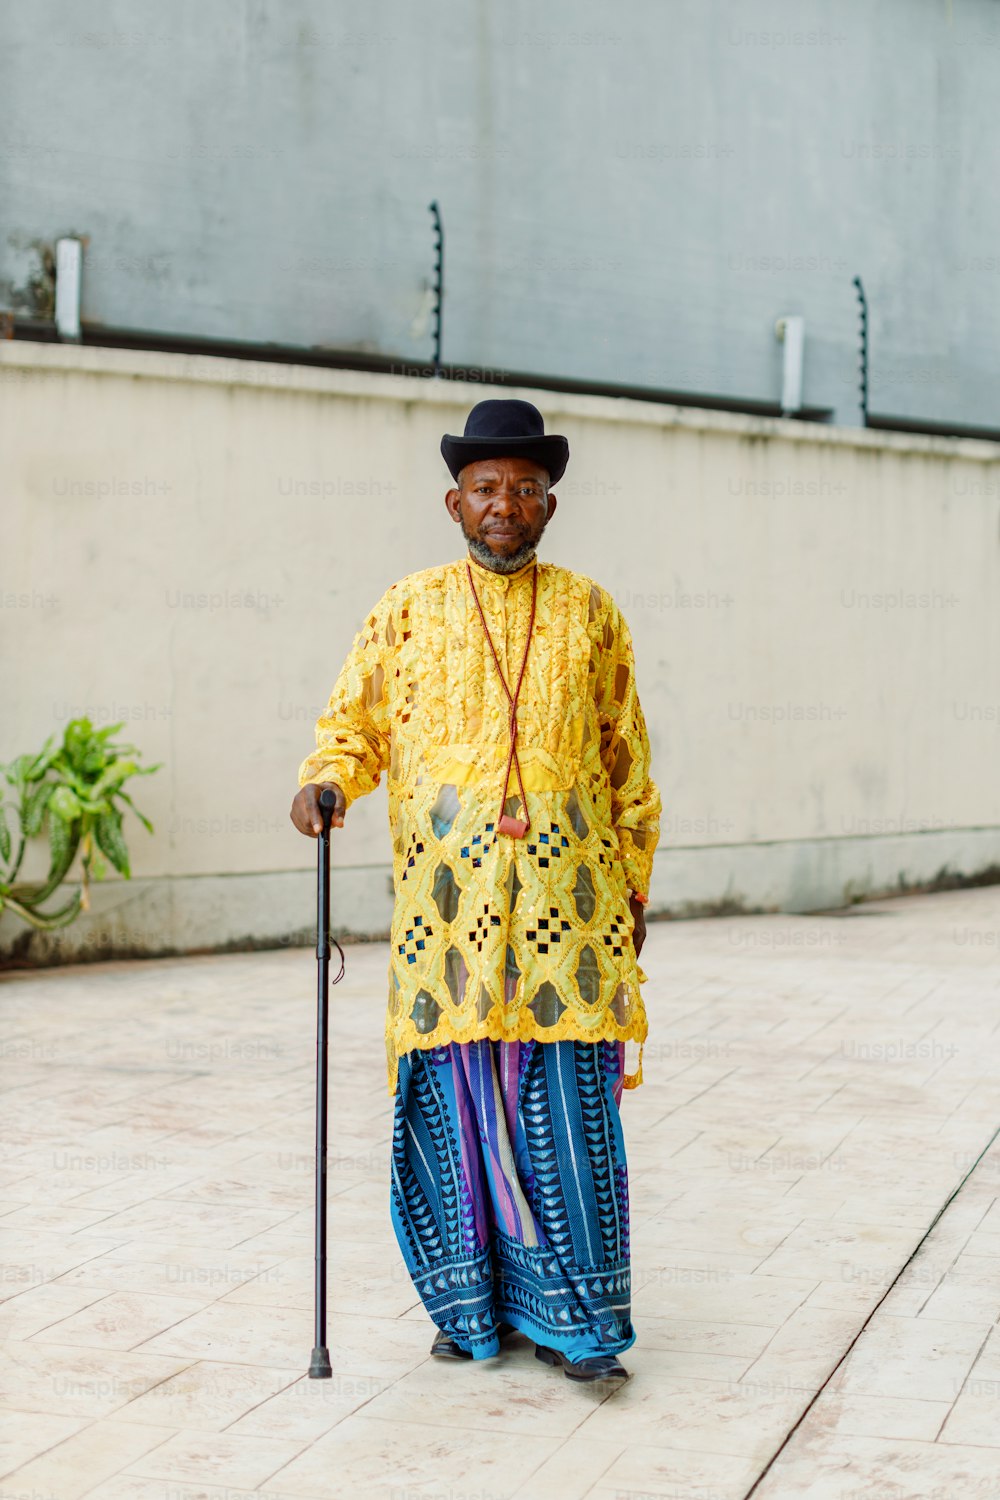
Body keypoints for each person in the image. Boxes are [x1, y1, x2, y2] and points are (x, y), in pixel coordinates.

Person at [290, 398, 661, 1383]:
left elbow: (628, 763)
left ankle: (579, 1325)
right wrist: (324, 784)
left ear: (549, 507)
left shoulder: (589, 610)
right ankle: (469, 1310)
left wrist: (633, 890)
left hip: (568, 918)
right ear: (455, 502)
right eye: (488, 489)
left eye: (526, 490)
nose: (506, 505)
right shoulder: (406, 608)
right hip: (446, 919)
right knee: (452, 1109)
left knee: (571, 1117)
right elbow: (354, 727)